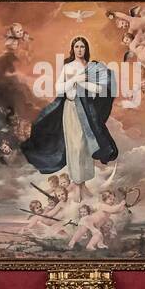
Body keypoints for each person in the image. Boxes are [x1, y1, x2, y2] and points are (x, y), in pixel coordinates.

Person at [20, 36, 119, 202]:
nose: (79, 50)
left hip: (87, 112)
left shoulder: (92, 67)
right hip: (71, 109)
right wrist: (74, 79)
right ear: (73, 49)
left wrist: (84, 83)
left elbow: (98, 89)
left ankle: (83, 185)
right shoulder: (68, 67)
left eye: (82, 47)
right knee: (74, 147)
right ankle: (77, 185)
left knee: (85, 147)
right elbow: (60, 88)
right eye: (77, 47)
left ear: (86, 49)